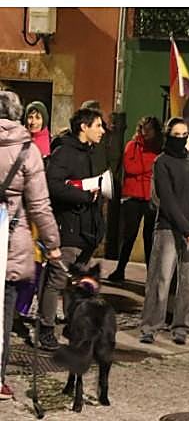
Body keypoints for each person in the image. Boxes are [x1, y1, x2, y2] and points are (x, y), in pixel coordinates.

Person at [0, 89, 62, 401]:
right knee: (4, 311)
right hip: (10, 238)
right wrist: (52, 244)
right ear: (16, 115)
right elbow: (39, 205)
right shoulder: (27, 150)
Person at [139, 117, 189, 345]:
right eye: (176, 135)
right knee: (160, 279)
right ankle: (150, 327)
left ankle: (182, 328)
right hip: (169, 228)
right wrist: (187, 230)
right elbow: (167, 200)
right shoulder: (162, 162)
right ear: (168, 135)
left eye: (184, 135)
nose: (180, 139)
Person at [38, 106, 105, 350]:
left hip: (87, 230)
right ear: (83, 127)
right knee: (57, 279)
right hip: (68, 228)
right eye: (98, 125)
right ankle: (45, 329)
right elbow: (53, 186)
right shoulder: (65, 152)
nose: (102, 130)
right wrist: (84, 195)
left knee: (76, 280)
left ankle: (73, 325)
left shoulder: (91, 152)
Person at [108, 116, 162, 283]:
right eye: (143, 128)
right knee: (129, 235)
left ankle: (151, 274)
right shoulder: (132, 146)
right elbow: (131, 168)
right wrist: (150, 166)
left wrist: (148, 167)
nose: (145, 132)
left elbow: (159, 170)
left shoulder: (159, 147)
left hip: (150, 198)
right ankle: (120, 269)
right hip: (133, 197)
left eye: (149, 128)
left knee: (149, 237)